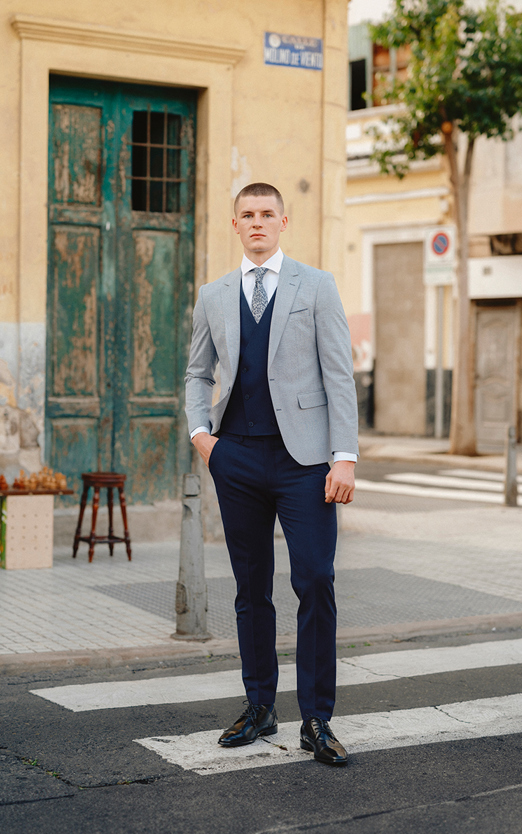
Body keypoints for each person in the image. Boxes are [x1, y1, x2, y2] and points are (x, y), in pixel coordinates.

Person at [185, 183, 359, 766]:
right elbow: (196, 373)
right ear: (234, 225)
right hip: (235, 457)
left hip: (305, 462)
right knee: (250, 589)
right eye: (247, 216)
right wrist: (202, 437)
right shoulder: (212, 295)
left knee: (314, 581)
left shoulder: (317, 285)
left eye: (267, 214)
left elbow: (339, 375)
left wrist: (345, 456)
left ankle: (316, 719)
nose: (257, 223)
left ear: (283, 221)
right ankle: (260, 707)